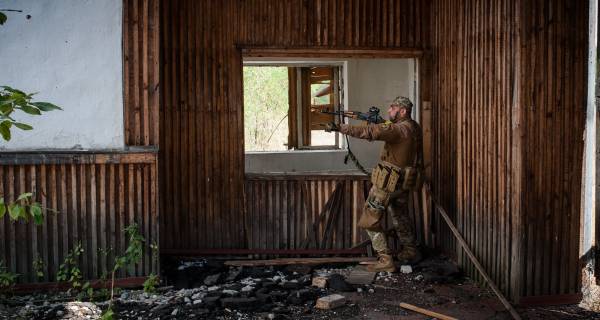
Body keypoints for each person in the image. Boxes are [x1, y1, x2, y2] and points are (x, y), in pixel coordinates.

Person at [325, 96, 423, 272]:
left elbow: (371, 132)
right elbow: (390, 128)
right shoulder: (414, 127)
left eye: (393, 108)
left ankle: (385, 260)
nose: (389, 111)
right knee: (401, 217)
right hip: (404, 183)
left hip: (387, 183)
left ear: (402, 111)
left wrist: (340, 127)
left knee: (368, 220)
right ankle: (410, 251)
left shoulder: (397, 130)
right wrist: (381, 122)